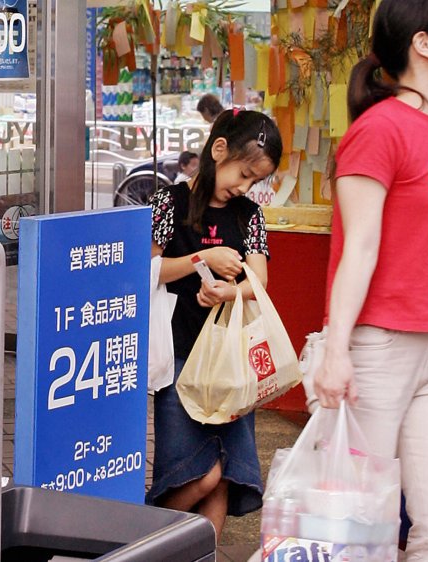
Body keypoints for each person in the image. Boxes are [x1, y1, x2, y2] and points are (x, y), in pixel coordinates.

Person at [312, 0, 428, 560]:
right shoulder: (379, 129)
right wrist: (336, 351)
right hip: (376, 348)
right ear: (423, 44)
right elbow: (356, 246)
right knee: (358, 529)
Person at [146, 109, 283, 539]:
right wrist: (201, 259)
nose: (244, 188)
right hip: (181, 355)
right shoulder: (170, 202)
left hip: (231, 361)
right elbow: (147, 269)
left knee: (222, 478)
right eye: (242, 174)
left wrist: (228, 290)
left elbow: (258, 279)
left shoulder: (248, 216)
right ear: (217, 149)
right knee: (196, 475)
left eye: (253, 182)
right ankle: (144, 541)